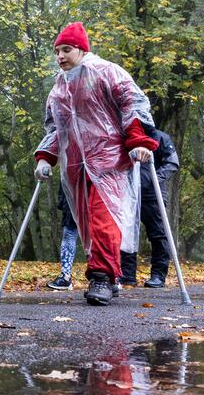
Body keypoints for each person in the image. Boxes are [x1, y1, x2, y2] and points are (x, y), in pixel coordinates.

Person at [34, 22, 159, 306]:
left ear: (81, 49)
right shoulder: (59, 88)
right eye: (57, 51)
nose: (60, 56)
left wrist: (138, 140)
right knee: (89, 225)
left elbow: (132, 104)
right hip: (77, 164)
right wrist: (45, 157)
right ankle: (111, 275)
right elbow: (56, 127)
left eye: (66, 50)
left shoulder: (106, 72)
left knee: (105, 218)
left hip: (109, 161)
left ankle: (101, 277)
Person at [120, 128, 179, 288]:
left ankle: (158, 275)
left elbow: (172, 162)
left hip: (154, 195)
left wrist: (154, 179)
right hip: (129, 193)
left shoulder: (160, 137)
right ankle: (127, 274)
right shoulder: (125, 136)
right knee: (127, 234)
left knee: (159, 234)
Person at [47, 185, 79, 290]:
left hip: (93, 189)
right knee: (69, 233)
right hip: (72, 194)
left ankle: (106, 276)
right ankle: (65, 276)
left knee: (97, 234)